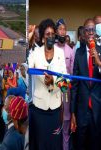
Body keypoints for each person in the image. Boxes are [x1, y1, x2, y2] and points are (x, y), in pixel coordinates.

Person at [28, 18, 67, 150]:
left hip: (55, 109)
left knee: (54, 144)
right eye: (47, 34)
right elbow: (28, 67)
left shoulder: (60, 54)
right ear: (43, 38)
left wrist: (54, 82)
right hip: (39, 108)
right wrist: (28, 42)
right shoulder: (35, 53)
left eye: (52, 34)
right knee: (40, 143)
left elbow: (65, 82)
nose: (50, 37)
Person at [71, 18, 101, 150]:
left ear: (95, 33)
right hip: (82, 110)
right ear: (83, 33)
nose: (90, 32)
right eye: (87, 30)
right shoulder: (78, 53)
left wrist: (98, 61)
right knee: (80, 144)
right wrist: (72, 112)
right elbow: (75, 84)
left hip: (98, 109)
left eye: (92, 30)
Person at [55, 18, 75, 150]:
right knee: (55, 127)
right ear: (56, 31)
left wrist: (64, 85)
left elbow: (72, 75)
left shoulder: (70, 51)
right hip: (52, 94)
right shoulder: (52, 49)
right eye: (60, 29)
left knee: (66, 126)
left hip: (66, 94)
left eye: (64, 29)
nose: (63, 32)